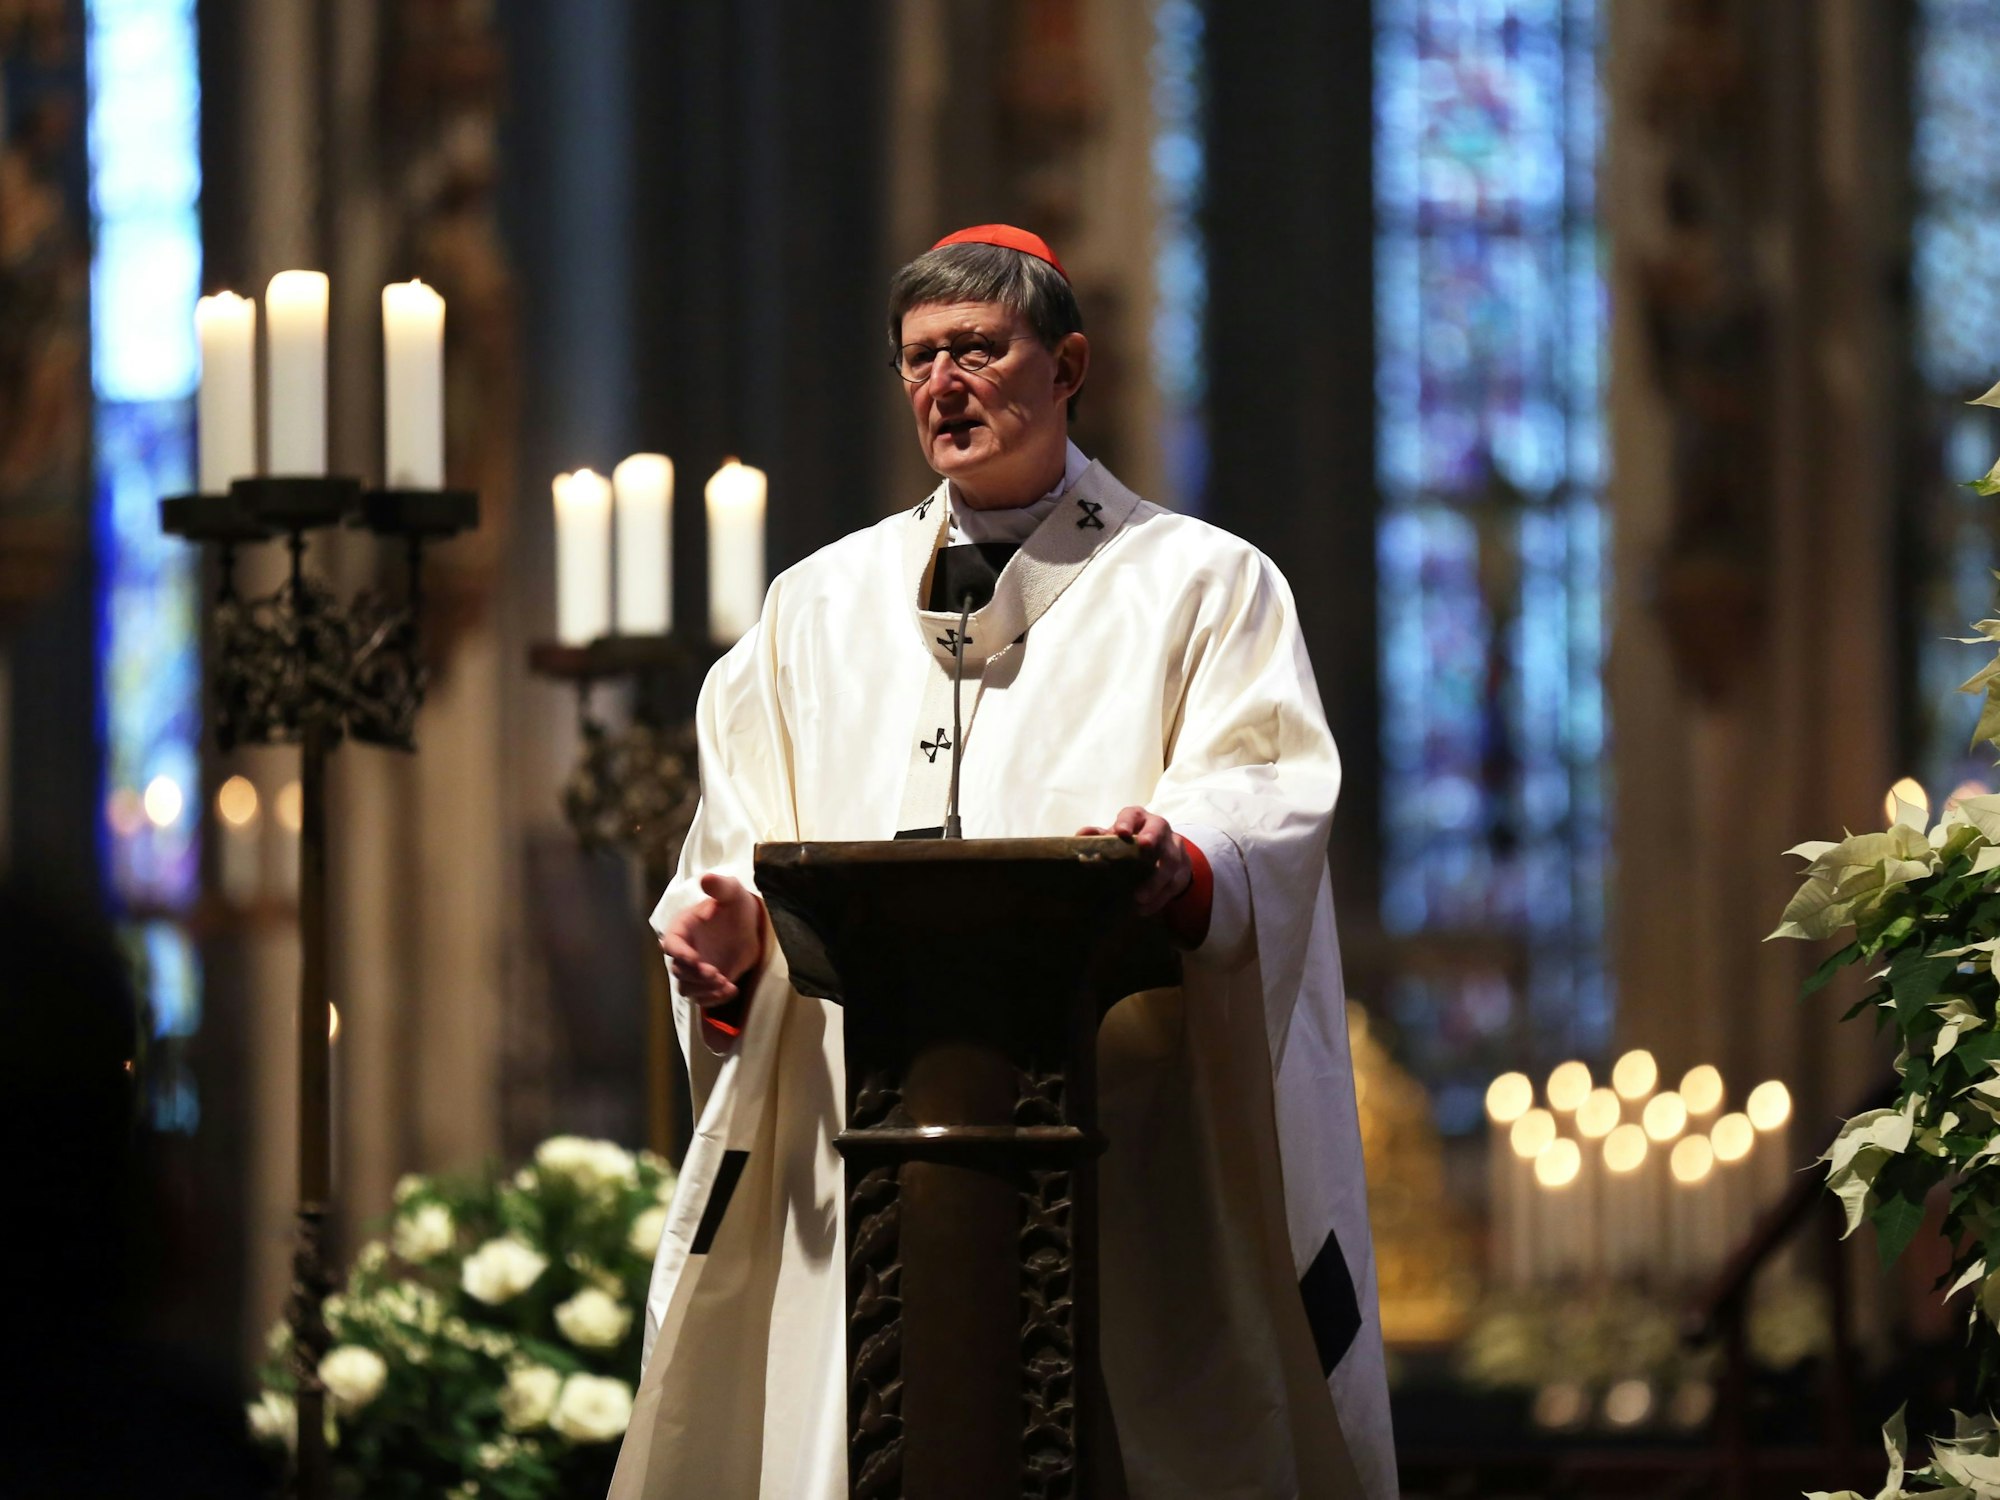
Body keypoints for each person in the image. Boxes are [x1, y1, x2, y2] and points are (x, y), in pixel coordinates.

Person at [610, 225, 1395, 1498]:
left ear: (1066, 363)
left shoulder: (1200, 585)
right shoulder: (814, 610)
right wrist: (732, 947)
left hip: (1118, 1136)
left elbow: (1261, 791)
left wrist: (1181, 862)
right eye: (918, 358)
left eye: (977, 349)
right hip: (870, 1142)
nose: (943, 384)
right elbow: (744, 854)